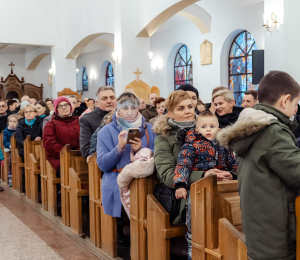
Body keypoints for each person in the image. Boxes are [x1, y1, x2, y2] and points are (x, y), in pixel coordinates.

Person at [217, 70, 300, 260]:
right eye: (296, 103)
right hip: (277, 231)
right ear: (285, 100)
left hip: (259, 228)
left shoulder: (251, 127)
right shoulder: (273, 132)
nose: (296, 110)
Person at [153, 90, 232, 228]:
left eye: (190, 106)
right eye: (181, 108)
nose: (188, 111)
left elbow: (227, 159)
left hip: (216, 186)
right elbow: (168, 175)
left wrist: (231, 174)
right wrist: (203, 175)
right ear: (170, 114)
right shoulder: (163, 138)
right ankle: (195, 245)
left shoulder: (207, 130)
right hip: (182, 195)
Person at [174, 111, 237, 260]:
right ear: (196, 130)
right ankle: (191, 238)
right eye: (203, 126)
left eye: (212, 126)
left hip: (220, 187)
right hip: (199, 188)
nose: (208, 129)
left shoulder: (224, 147)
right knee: (193, 207)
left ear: (219, 130)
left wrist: (232, 175)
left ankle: (228, 240)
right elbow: (183, 165)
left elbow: (234, 166)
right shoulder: (191, 146)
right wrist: (180, 185)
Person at [96, 90, 156, 245]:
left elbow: (160, 155)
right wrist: (119, 148)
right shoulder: (105, 131)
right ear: (118, 109)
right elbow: (102, 164)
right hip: (117, 179)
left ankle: (150, 233)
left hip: (145, 178)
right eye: (124, 108)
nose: (129, 112)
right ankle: (120, 231)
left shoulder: (150, 129)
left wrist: (141, 148)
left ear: (139, 109)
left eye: (133, 108)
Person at [43, 97, 80, 176]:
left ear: (70, 106)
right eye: (60, 106)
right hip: (59, 158)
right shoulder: (50, 125)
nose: (64, 107)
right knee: (69, 171)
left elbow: (86, 139)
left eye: (66, 105)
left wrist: (79, 151)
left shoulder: (80, 121)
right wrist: (68, 153)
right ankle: (64, 188)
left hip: (80, 155)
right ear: (56, 109)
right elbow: (50, 144)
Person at [80, 86, 117, 159]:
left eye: (112, 98)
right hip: (100, 163)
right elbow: (86, 150)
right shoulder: (87, 119)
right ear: (97, 103)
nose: (109, 101)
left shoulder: (124, 116)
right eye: (104, 98)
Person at [3, 114, 19, 186]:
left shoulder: (19, 130)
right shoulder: (6, 131)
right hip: (10, 149)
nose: (12, 123)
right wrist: (10, 145)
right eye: (10, 121)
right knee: (11, 159)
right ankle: (11, 177)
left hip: (19, 148)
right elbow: (5, 141)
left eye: (14, 121)